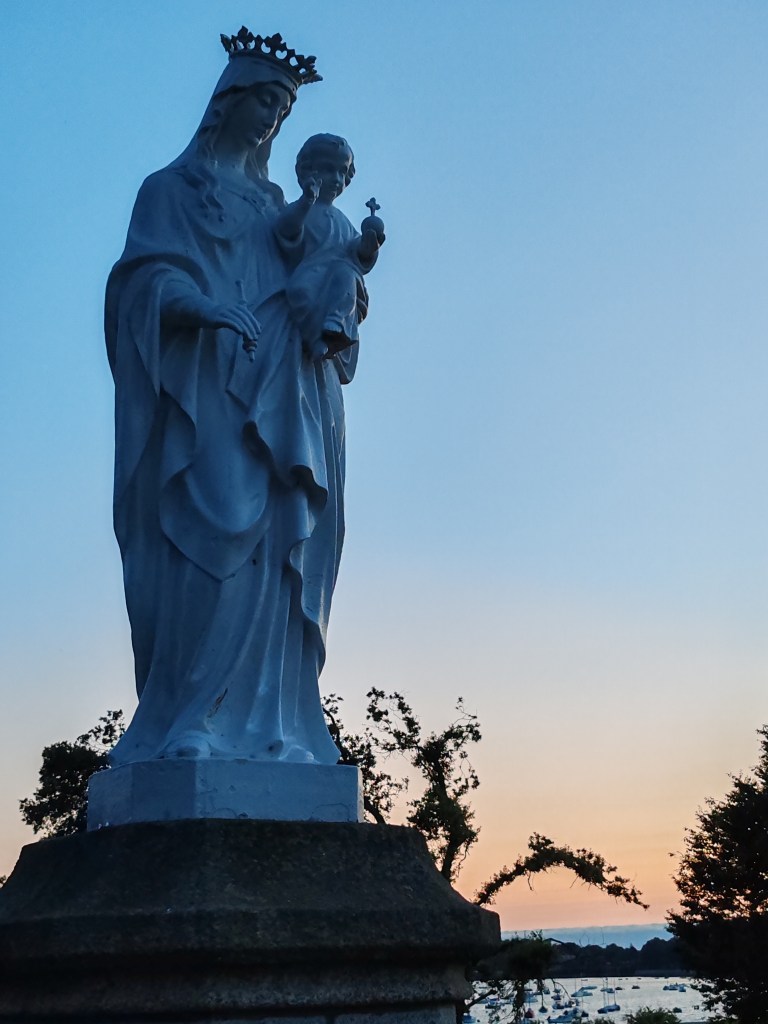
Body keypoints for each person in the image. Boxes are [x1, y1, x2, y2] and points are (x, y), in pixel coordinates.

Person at [105, 30, 359, 766]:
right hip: (206, 386)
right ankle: (191, 717)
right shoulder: (170, 190)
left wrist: (344, 295)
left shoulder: (282, 204)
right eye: (266, 101)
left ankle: (276, 726)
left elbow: (326, 276)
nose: (272, 119)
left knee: (281, 548)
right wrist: (203, 307)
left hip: (287, 390)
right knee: (212, 532)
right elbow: (143, 281)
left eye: (283, 110)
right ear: (228, 102)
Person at [274, 134, 385, 361]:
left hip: (340, 279)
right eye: (328, 170)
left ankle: (335, 326)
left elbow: (355, 251)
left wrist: (367, 248)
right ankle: (315, 337)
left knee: (345, 276)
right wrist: (306, 201)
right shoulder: (303, 209)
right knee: (300, 292)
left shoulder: (342, 221)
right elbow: (286, 229)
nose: (336, 179)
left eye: (342, 172)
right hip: (310, 272)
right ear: (307, 171)